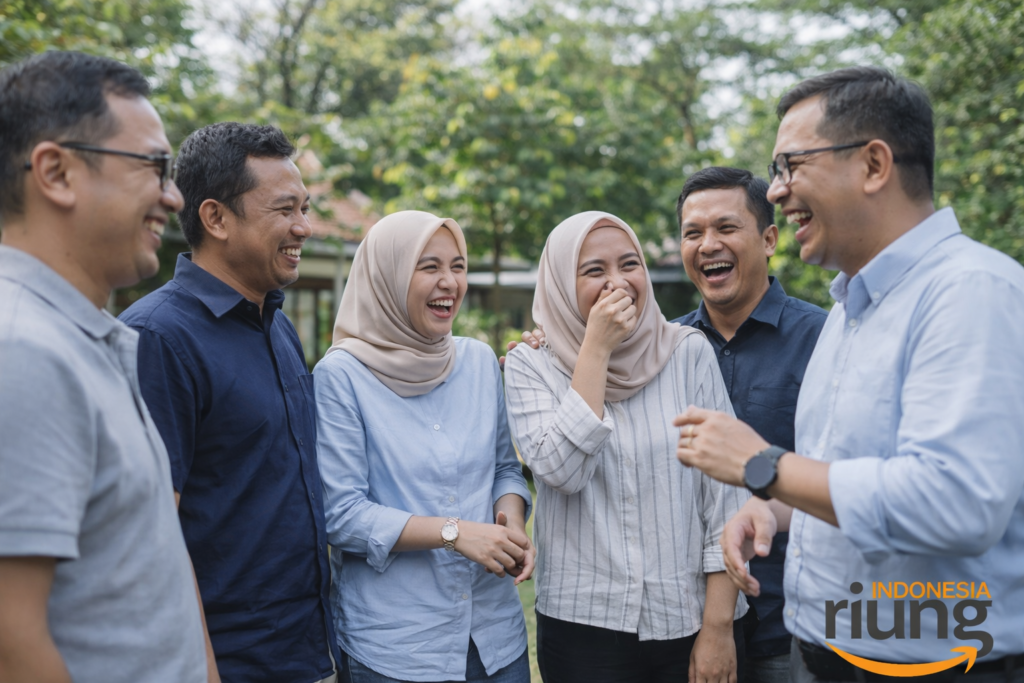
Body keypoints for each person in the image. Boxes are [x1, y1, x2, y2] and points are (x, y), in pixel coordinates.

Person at [675, 66, 1024, 682]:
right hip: (825, 656)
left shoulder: (970, 292)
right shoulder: (849, 311)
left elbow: (956, 504)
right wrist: (772, 509)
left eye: (791, 166)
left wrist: (762, 466)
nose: (777, 190)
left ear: (873, 165)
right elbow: (844, 478)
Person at [0, 51, 207, 682]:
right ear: (56, 172)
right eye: (154, 167)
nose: (173, 197)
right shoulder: (23, 352)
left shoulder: (81, 338)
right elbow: (12, 642)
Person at [119, 122, 340, 683]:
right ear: (215, 218)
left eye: (306, 208)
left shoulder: (276, 323)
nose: (304, 228)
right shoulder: (157, 338)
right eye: (285, 209)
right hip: (224, 661)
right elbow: (150, 535)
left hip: (306, 649)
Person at [503, 211, 749, 683]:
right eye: (594, 271)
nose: (617, 283)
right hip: (583, 629)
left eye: (629, 265)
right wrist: (595, 349)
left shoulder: (687, 352)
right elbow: (561, 472)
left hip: (690, 619)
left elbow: (724, 497)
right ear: (558, 283)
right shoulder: (529, 366)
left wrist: (718, 628)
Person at [314, 210, 534, 682]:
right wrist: (454, 533)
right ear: (388, 276)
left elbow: (505, 468)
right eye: (429, 266)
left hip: (497, 640)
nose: (449, 282)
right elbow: (341, 513)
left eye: (457, 266)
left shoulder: (476, 361)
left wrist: (509, 520)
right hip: (400, 650)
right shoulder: (341, 377)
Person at [673, 166, 827, 683]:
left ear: (768, 239)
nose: (707, 244)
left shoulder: (825, 341)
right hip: (683, 618)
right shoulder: (660, 350)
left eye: (725, 228)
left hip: (789, 623)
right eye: (693, 233)